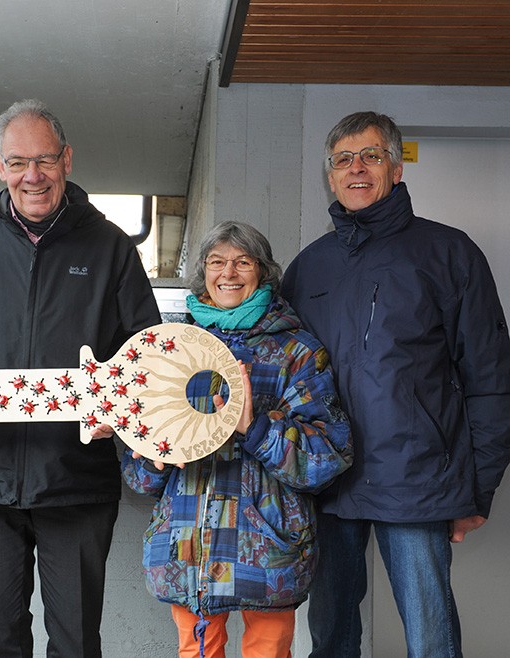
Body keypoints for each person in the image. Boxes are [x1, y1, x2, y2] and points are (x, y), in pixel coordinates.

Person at [0, 98, 161, 657]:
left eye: (45, 160)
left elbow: (145, 355)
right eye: (19, 162)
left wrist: (117, 412)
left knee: (74, 642)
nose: (33, 176)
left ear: (67, 160)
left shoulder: (112, 248)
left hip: (76, 479)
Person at [282, 111, 510, 657]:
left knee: (431, 639)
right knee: (332, 635)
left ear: (395, 169)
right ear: (330, 175)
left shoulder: (450, 254)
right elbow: (279, 373)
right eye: (343, 159)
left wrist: (480, 487)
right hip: (327, 481)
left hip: (418, 481)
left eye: (371, 156)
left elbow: (490, 375)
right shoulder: (308, 267)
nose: (356, 169)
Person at [118, 221, 353, 658]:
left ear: (262, 273)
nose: (229, 272)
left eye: (243, 262)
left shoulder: (298, 352)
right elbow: (140, 476)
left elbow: (327, 455)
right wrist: (152, 458)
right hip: (187, 544)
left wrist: (255, 428)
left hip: (268, 544)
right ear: (202, 273)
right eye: (216, 262)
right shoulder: (172, 348)